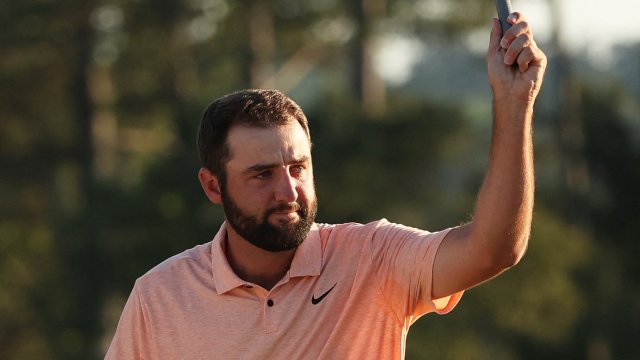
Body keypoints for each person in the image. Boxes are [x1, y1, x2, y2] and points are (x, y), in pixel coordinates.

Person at [105, 13, 546, 359]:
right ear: (213, 186)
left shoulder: (374, 259)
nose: (288, 191)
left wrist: (514, 103)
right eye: (262, 175)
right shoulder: (159, 297)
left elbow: (493, 250)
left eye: (298, 168)